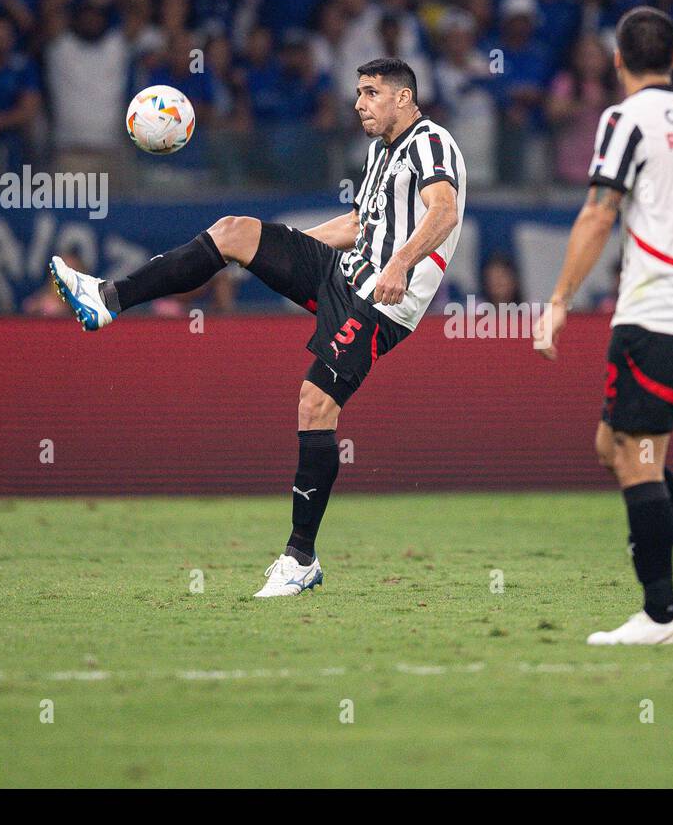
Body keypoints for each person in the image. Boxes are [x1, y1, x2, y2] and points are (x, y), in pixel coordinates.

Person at [48, 57, 464, 598]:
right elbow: (360, 224)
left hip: (383, 302)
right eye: (357, 93)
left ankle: (300, 559)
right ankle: (106, 299)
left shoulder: (431, 143)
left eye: (370, 93)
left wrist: (401, 263)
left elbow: (445, 210)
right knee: (237, 233)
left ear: (404, 98)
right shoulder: (381, 153)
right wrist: (279, 245)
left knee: (315, 402)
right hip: (345, 273)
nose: (358, 103)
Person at [534, 7, 673, 646]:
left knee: (637, 454)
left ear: (617, 60)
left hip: (653, 308)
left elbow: (599, 213)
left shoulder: (625, 119)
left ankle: (660, 614)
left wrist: (557, 302)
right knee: (617, 447)